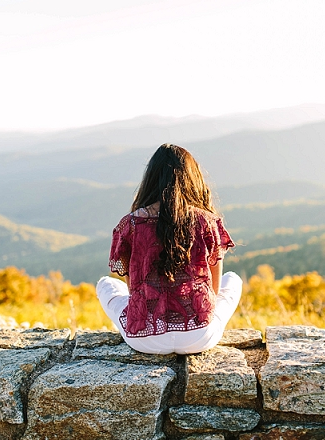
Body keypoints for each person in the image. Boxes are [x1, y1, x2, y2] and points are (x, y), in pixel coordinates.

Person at [96, 143, 243, 354]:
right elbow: (215, 291)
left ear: (150, 179)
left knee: (106, 285)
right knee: (233, 280)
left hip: (143, 339)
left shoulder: (130, 225)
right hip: (200, 335)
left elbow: (133, 291)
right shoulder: (207, 222)